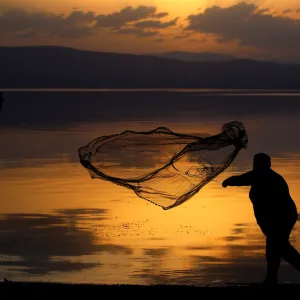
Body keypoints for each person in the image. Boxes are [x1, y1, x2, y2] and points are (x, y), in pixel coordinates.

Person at [222, 152, 300, 285]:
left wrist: (228, 181)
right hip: (281, 216)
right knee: (276, 248)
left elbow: (242, 179)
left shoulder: (262, 174)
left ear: (258, 165)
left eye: (255, 163)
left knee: (279, 247)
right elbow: (247, 179)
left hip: (281, 217)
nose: (254, 166)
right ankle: (271, 279)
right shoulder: (267, 175)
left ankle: (272, 279)